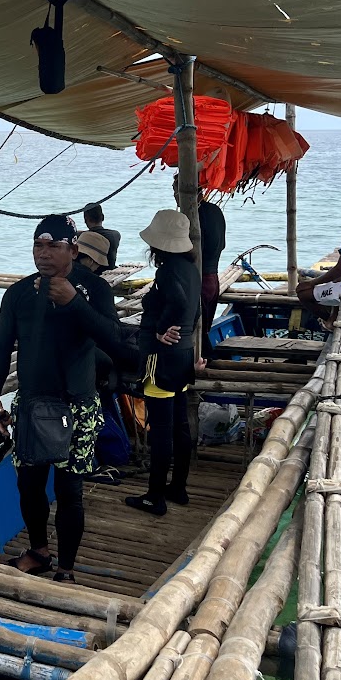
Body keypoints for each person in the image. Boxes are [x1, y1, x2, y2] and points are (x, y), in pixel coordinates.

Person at [0, 214, 117, 583]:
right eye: (38, 246)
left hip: (77, 405)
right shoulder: (19, 293)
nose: (44, 254)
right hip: (30, 404)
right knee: (28, 485)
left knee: (69, 489)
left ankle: (67, 568)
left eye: (54, 246)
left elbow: (115, 339)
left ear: (73, 250)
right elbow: (1, 346)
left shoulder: (94, 288)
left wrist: (75, 302)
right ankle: (40, 551)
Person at [124, 209, 202, 517]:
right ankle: (178, 487)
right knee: (180, 426)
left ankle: (154, 496)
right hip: (181, 356)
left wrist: (161, 328)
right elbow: (195, 310)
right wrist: (182, 332)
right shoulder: (190, 269)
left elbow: (180, 304)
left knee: (161, 431)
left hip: (161, 359)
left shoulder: (168, 271)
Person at [174, 177, 226, 356]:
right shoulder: (216, 211)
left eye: (176, 191)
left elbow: (190, 252)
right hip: (214, 278)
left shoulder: (193, 218)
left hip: (199, 281)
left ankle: (203, 366)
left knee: (193, 332)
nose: (174, 196)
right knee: (203, 332)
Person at [83, 203, 121, 270]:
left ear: (85, 220)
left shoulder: (83, 238)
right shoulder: (115, 235)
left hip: (95, 274)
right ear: (103, 217)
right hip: (110, 269)